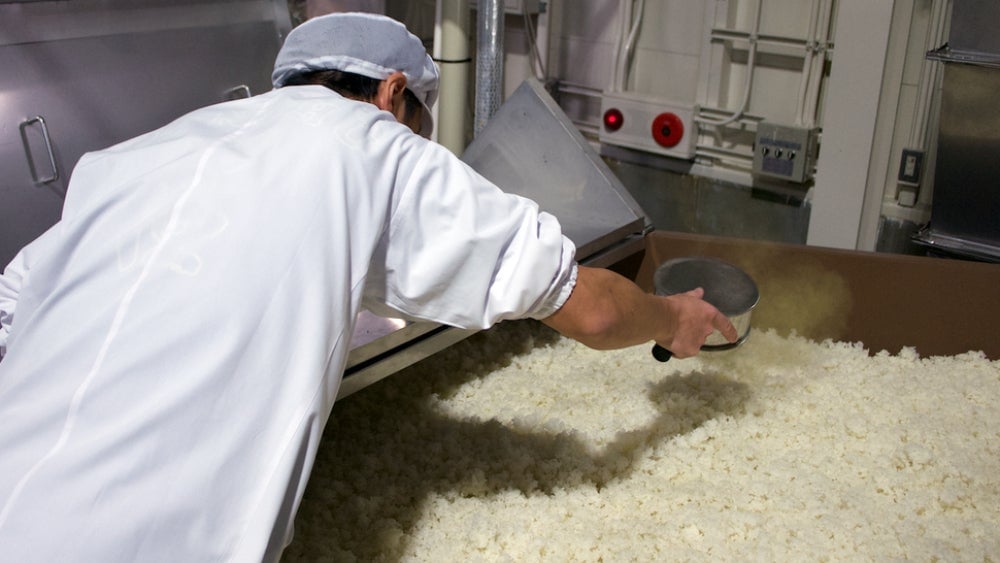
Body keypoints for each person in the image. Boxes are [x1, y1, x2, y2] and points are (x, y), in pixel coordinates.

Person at [0, 12, 735, 563]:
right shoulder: (369, 144)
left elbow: (12, 304)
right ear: (392, 95)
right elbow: (592, 306)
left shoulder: (149, 149)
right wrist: (674, 317)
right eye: (421, 124)